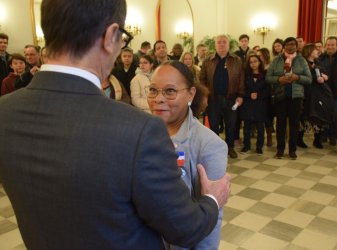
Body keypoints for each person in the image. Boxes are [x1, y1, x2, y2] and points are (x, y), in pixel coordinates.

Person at [0, 0, 231, 249]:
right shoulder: (138, 130)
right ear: (111, 36)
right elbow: (185, 229)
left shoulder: (5, 112)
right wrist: (212, 199)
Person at [147, 61, 227, 250]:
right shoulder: (143, 133)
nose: (158, 99)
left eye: (169, 91)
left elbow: (211, 217)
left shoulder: (209, 145)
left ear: (190, 94)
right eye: (153, 90)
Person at [266, 37, 312, 160]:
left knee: (294, 124)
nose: (290, 47)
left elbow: (309, 79)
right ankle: (280, 150)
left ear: (296, 46)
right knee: (280, 124)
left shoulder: (302, 60)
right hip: (281, 96)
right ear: (284, 46)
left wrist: (297, 78)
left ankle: (292, 150)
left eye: (293, 44)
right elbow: (268, 77)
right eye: (287, 44)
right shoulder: (276, 60)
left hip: (296, 97)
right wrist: (278, 79)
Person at [199, 34, 244, 159]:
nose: (222, 44)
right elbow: (202, 79)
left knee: (231, 124)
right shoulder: (208, 60)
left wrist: (240, 95)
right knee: (213, 125)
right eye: (219, 42)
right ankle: (215, 148)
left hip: (231, 98)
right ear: (215, 45)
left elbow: (241, 79)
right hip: (213, 98)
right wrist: (204, 95)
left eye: (224, 42)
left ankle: (230, 147)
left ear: (228, 44)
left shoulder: (236, 60)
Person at [301, 44, 333, 149]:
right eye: (315, 50)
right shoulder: (303, 62)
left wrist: (325, 77)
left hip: (320, 93)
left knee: (320, 115)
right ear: (309, 51)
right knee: (305, 116)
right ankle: (299, 139)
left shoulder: (319, 62)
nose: (317, 51)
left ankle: (317, 139)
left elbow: (326, 74)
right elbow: (305, 76)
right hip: (308, 93)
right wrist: (316, 77)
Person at [239, 54, 270, 155]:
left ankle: (259, 147)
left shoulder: (265, 75)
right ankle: (246, 146)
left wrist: (259, 95)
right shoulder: (246, 75)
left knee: (260, 128)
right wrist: (249, 94)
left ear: (259, 62)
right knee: (246, 127)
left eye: (255, 61)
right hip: (248, 104)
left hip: (261, 104)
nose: (253, 64)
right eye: (251, 62)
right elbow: (242, 89)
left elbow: (268, 90)